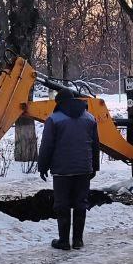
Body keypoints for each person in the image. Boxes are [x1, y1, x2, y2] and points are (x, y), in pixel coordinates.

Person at [38, 89, 100, 250]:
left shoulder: (54, 119)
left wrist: (42, 166)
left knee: (62, 205)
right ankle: (78, 240)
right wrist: (94, 167)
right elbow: (95, 146)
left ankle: (64, 241)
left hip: (62, 170)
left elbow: (47, 146)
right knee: (81, 203)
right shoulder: (90, 118)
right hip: (84, 169)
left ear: (58, 103)